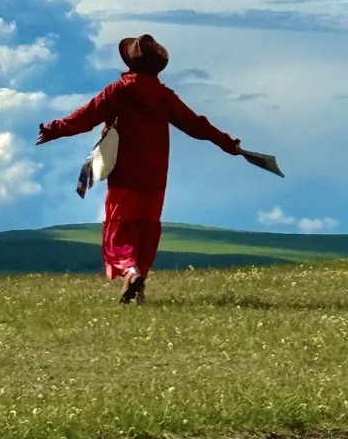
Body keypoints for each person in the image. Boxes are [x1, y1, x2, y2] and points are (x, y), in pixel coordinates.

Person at [36, 33, 242, 305]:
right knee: (146, 229)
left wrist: (53, 130)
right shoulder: (165, 97)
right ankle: (138, 289)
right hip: (156, 176)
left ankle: (130, 271)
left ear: (130, 63)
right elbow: (196, 124)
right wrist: (227, 143)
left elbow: (84, 118)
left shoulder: (117, 91)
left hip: (124, 174)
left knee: (120, 228)